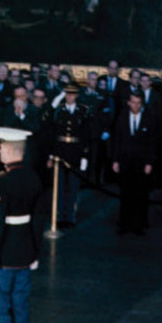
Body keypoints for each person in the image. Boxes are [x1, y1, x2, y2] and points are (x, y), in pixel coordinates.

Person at [0, 128, 43, 323]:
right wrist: (36, 252)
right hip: (26, 251)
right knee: (22, 304)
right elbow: (38, 220)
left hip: (5, 252)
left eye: (1, 147)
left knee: (0, 305)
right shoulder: (35, 178)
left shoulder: (2, 181)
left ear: (9, 150)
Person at [110, 91, 157, 235]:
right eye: (133, 102)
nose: (135, 105)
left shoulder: (149, 118)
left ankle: (138, 224)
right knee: (125, 193)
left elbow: (152, 143)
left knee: (140, 194)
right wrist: (115, 160)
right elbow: (116, 140)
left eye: (138, 103)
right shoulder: (121, 117)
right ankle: (124, 223)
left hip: (141, 164)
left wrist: (149, 162)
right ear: (128, 103)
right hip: (125, 162)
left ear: (141, 103)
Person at [49, 83, 91, 227]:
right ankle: (60, 215)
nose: (70, 97)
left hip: (76, 152)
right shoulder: (58, 110)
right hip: (60, 151)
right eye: (67, 94)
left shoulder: (83, 111)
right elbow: (53, 133)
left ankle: (70, 216)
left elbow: (86, 134)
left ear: (77, 95)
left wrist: (85, 155)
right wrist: (51, 155)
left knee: (73, 185)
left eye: (72, 94)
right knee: (59, 186)